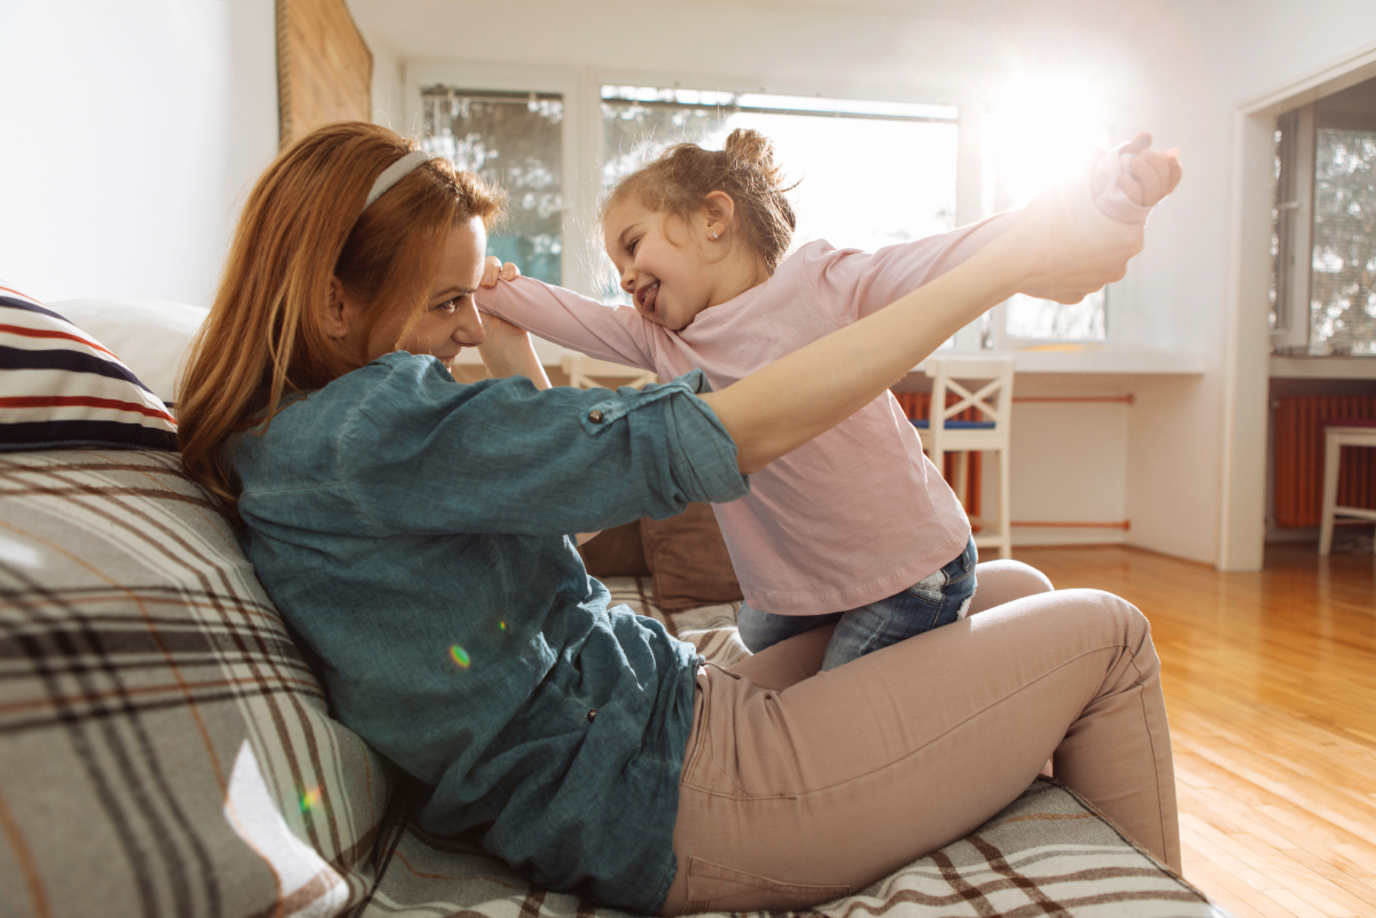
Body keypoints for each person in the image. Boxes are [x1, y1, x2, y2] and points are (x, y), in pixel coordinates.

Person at [176, 121, 1181, 916]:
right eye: (445, 301)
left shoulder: (328, 435)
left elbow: (531, 489)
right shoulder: (364, 429)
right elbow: (696, 437)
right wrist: (1011, 265)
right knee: (1106, 634)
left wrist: (498, 323)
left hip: (651, 713)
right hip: (660, 795)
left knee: (1011, 589)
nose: (465, 325)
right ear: (334, 303)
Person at [477, 128, 1181, 670]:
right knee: (753, 681)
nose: (627, 278)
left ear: (713, 219)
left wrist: (1108, 196)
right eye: (617, 267)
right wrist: (482, 281)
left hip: (907, 572)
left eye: (633, 246)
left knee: (842, 721)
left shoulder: (823, 283)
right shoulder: (658, 339)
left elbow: (965, 251)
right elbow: (568, 314)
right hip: (792, 588)